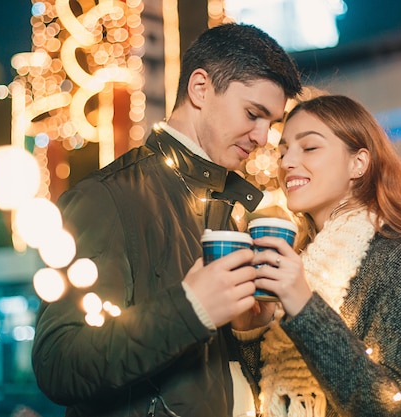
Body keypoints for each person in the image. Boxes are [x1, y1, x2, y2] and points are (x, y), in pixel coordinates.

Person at [31, 23, 302, 417]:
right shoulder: (105, 197)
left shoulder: (226, 210)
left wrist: (248, 328)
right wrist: (191, 308)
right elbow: (57, 363)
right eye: (253, 114)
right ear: (200, 88)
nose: (263, 137)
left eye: (271, 123)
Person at [233, 94, 401, 416]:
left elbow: (396, 407)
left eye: (308, 147)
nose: (286, 162)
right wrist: (250, 330)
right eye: (282, 151)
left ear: (358, 163)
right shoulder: (301, 260)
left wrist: (304, 307)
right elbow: (267, 398)